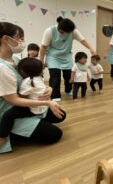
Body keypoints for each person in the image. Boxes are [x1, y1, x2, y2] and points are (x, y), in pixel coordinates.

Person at [0, 22, 65, 153]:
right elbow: (13, 100)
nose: (23, 42)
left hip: (26, 104)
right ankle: (8, 133)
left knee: (61, 115)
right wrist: (47, 102)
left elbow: (33, 79)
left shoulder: (17, 60)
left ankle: (32, 123)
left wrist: (48, 89)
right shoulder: (1, 67)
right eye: (20, 38)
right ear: (6, 39)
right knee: (54, 135)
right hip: (10, 110)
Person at [40, 17, 95, 102]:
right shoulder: (49, 31)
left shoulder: (73, 31)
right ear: (59, 26)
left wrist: (91, 48)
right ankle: (55, 95)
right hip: (53, 56)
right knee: (55, 75)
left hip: (66, 55)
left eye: (66, 33)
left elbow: (83, 40)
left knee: (68, 75)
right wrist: (41, 61)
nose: (64, 34)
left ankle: (69, 90)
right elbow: (43, 47)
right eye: (62, 32)